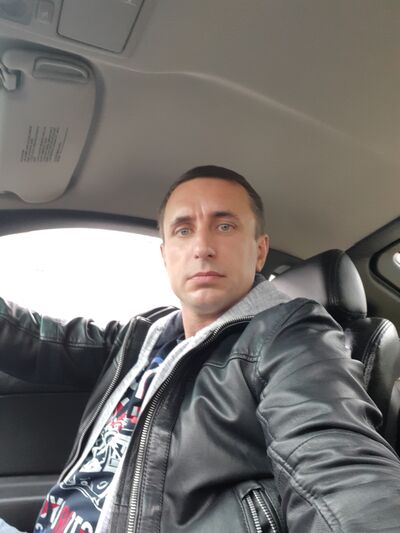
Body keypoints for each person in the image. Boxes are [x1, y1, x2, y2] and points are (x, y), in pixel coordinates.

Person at [1, 165, 400, 533]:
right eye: (183, 230)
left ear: (259, 250)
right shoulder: (145, 334)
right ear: (165, 256)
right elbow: (44, 341)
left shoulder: (291, 334)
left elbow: (336, 462)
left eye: (225, 226)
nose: (202, 247)